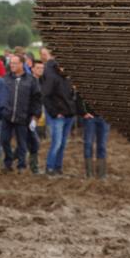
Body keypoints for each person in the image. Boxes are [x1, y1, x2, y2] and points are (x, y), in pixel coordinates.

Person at [2, 53, 43, 174]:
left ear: (21, 64)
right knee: (4, 140)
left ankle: (21, 165)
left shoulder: (31, 80)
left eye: (15, 63)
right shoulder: (6, 78)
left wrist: (35, 116)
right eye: (11, 63)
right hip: (7, 116)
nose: (12, 65)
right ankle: (8, 161)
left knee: (22, 143)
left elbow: (37, 99)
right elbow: (0, 95)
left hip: (23, 116)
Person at [40, 48, 77, 177]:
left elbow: (71, 96)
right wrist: (55, 113)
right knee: (56, 142)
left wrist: (73, 110)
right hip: (58, 116)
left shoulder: (68, 77)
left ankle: (58, 167)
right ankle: (49, 167)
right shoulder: (52, 76)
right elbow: (45, 96)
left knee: (63, 143)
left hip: (69, 115)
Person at [78, 90, 109, 179]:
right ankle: (89, 173)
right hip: (89, 118)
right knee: (88, 144)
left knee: (102, 145)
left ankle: (101, 174)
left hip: (104, 118)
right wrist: (83, 112)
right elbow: (79, 97)